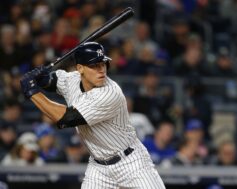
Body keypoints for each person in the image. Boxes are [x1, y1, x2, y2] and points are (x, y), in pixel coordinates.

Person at [19, 42, 165, 188]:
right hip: (99, 168)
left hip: (131, 163)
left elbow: (66, 118)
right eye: (94, 66)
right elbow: (52, 81)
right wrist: (39, 76)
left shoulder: (110, 92)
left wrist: (32, 92)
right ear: (80, 68)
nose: (101, 70)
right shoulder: (72, 79)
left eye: (102, 64)